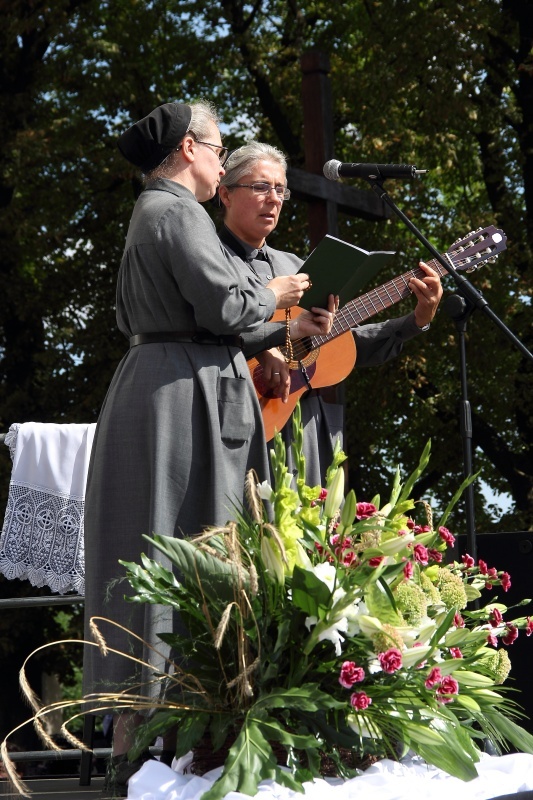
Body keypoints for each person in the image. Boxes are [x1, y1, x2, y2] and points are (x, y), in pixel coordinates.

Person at [83, 104, 335, 797]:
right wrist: (275, 291)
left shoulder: (159, 210)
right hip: (176, 394)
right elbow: (226, 308)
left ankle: (156, 746)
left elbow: (214, 322)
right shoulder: (176, 210)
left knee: (181, 551)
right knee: (180, 549)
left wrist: (286, 327)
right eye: (219, 151)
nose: (223, 166)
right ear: (188, 148)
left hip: (182, 380)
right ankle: (151, 751)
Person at [217, 141, 443, 486]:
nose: (274, 198)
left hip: (303, 433)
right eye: (261, 187)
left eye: (280, 189)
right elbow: (199, 329)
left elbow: (341, 345)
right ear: (226, 194)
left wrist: (418, 319)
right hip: (230, 424)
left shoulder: (296, 267)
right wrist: (266, 346)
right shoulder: (210, 261)